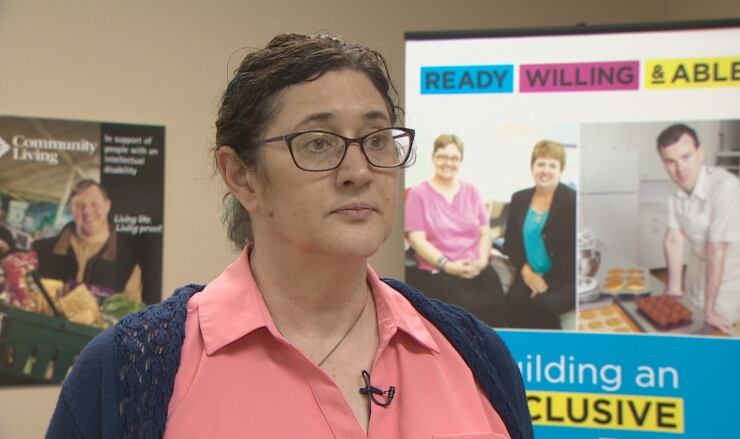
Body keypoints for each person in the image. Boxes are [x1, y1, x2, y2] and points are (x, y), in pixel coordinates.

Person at [46, 34, 533, 439]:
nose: (359, 171)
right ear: (242, 176)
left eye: (378, 138)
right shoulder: (130, 371)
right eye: (318, 143)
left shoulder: (473, 351)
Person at [657, 123, 740, 334]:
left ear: (700, 153)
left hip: (729, 273)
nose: (680, 168)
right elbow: (674, 237)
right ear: (663, 162)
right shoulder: (673, 185)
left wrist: (710, 308)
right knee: (691, 322)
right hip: (698, 267)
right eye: (671, 162)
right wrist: (674, 290)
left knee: (716, 328)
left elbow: (717, 249)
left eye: (686, 157)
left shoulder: (726, 187)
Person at [405, 134, 507, 326]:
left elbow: (485, 232)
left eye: (453, 158)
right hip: (439, 270)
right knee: (467, 309)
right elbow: (417, 240)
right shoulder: (419, 193)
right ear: (433, 158)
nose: (448, 163)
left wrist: (482, 262)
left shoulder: (472, 191)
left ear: (460, 161)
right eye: (442, 156)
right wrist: (448, 265)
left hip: (476, 266)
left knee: (498, 300)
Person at [503, 140, 576, 329]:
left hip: (565, 278)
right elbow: (511, 244)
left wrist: (545, 283)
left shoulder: (572, 201)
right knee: (514, 301)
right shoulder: (519, 199)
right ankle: (516, 357)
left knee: (543, 306)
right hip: (529, 271)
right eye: (541, 164)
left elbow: (575, 254)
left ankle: (553, 357)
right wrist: (527, 273)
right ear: (532, 167)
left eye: (553, 165)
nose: (546, 170)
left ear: (561, 170)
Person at [33, 179, 142, 302]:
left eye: (94, 204)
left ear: (107, 206)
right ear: (71, 209)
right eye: (79, 205)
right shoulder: (40, 251)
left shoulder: (128, 265)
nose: (87, 211)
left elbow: (131, 316)